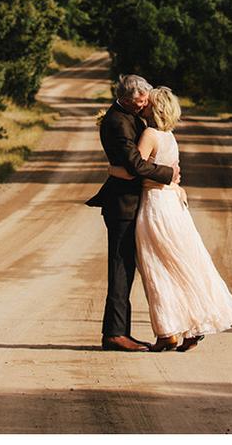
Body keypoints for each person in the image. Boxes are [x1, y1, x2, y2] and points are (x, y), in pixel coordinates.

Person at [109, 86, 232, 352]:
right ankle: (192, 327)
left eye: (148, 103)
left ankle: (167, 332)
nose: (143, 105)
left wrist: (111, 168)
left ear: (154, 109)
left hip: (156, 206)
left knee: (156, 268)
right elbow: (167, 170)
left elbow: (134, 170)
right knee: (180, 265)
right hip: (174, 205)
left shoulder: (149, 134)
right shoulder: (170, 136)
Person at [85, 74, 179, 352]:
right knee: (120, 269)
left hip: (136, 202)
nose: (143, 106)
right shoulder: (117, 122)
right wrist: (168, 174)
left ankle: (122, 331)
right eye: (139, 102)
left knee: (129, 268)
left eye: (145, 102)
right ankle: (114, 334)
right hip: (121, 206)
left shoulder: (132, 116)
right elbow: (135, 165)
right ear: (126, 98)